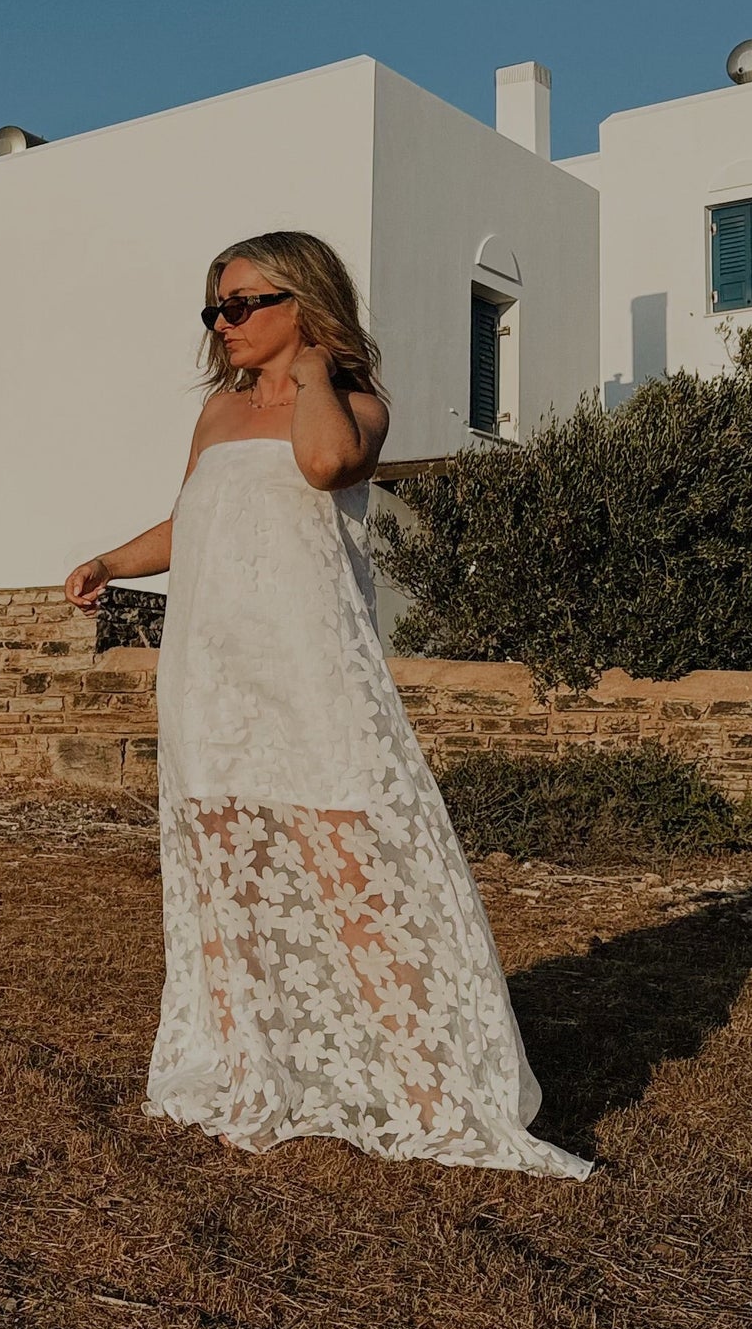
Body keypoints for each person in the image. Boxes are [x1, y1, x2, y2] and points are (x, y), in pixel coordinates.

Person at [64, 231, 590, 1178]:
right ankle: (252, 1070)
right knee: (227, 874)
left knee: (356, 873)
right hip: (210, 675)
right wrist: (109, 559)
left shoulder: (357, 408)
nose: (222, 322)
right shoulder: (216, 414)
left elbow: (321, 465)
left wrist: (309, 369)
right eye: (214, 307)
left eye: (242, 304)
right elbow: (189, 522)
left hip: (310, 672)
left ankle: (426, 1090)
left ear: (301, 302)